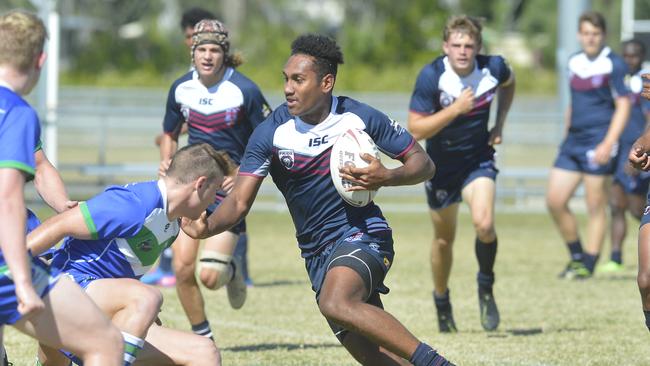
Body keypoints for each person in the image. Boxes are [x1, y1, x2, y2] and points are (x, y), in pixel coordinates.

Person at [182, 33, 455, 366]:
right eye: (286, 79)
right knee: (375, 357)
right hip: (315, 254)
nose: (287, 88)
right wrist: (206, 227)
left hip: (363, 234)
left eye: (299, 79)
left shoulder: (358, 118)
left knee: (336, 303)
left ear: (326, 82)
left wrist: (387, 175)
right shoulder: (271, 132)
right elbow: (239, 202)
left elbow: (423, 163)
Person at [28, 143, 226, 366]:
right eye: (215, 191)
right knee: (146, 297)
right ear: (200, 184)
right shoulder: (134, 203)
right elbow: (58, 225)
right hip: (65, 295)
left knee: (204, 352)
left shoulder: (170, 225)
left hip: (97, 313)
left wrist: (137, 316)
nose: (214, 202)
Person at [0, 9, 123, 366]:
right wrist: (22, 279)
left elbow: (39, 166)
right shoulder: (16, 112)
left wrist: (64, 207)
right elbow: (8, 200)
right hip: (7, 263)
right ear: (41, 60)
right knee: (104, 343)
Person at [159, 18, 271, 340]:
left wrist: (243, 176)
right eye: (202, 49)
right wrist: (167, 162)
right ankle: (203, 338)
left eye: (214, 49)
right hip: (190, 188)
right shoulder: (181, 88)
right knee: (181, 269)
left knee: (210, 276)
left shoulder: (245, 91)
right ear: (192, 52)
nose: (208, 56)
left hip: (227, 190)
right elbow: (168, 133)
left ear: (225, 54)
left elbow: (268, 137)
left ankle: (232, 269)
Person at [406, 15, 515, 333]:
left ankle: (485, 287)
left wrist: (500, 122)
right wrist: (455, 109)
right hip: (440, 168)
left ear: (478, 47)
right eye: (456, 45)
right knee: (443, 239)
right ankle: (442, 301)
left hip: (478, 160)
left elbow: (510, 83)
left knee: (484, 224)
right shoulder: (432, 75)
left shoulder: (493, 67)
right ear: (445, 46)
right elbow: (415, 127)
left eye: (469, 45)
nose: (463, 51)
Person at [546, 11, 631, 280]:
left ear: (603, 35)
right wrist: (566, 132)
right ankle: (576, 255)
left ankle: (590, 262)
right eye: (586, 33)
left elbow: (624, 105)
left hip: (599, 141)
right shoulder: (573, 62)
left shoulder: (614, 64)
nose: (590, 38)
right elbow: (573, 103)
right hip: (572, 142)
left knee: (595, 204)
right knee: (555, 201)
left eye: (595, 34)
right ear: (579, 35)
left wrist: (609, 142)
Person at [145, 6, 217, 288]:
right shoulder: (187, 78)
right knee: (173, 205)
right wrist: (168, 141)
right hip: (198, 159)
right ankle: (166, 264)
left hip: (222, 164)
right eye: (189, 36)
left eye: (196, 35)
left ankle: (237, 267)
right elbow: (183, 116)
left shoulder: (222, 73)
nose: (192, 41)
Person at [600, 39, 650, 273]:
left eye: (635, 56)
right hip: (619, 150)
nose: (630, 60)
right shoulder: (619, 80)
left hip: (639, 151)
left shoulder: (645, 82)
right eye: (627, 56)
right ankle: (615, 257)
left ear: (641, 56)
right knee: (615, 204)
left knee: (636, 209)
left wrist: (641, 149)